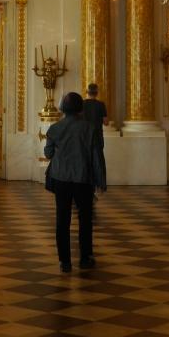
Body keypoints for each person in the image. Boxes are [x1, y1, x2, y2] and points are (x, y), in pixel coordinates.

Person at [44, 91, 107, 272]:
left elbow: (48, 153)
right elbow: (96, 156)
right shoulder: (89, 128)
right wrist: (101, 181)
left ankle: (65, 262)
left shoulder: (55, 128)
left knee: (62, 219)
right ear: (80, 109)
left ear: (63, 109)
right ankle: (85, 258)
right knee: (85, 219)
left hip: (61, 178)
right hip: (83, 178)